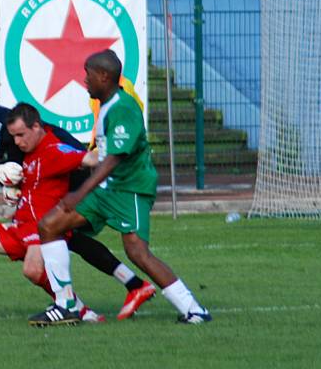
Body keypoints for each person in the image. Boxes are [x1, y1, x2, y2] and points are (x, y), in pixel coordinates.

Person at [0, 88, 154, 321]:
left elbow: (84, 158)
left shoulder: (37, 144)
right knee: (66, 240)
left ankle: (79, 304)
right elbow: (16, 170)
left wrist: (118, 152)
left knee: (57, 243)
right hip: (27, 219)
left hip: (73, 186)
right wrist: (12, 189)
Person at [29, 49, 212, 326]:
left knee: (137, 252)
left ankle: (193, 309)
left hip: (130, 191)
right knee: (50, 225)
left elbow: (115, 158)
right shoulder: (107, 105)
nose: (84, 80)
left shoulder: (124, 107)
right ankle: (66, 304)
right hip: (106, 190)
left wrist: (80, 192)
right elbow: (105, 153)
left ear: (103, 76)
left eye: (88, 75)